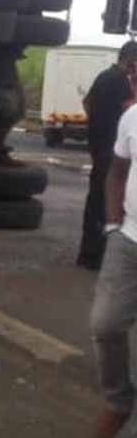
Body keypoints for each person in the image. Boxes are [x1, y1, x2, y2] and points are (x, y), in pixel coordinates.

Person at [90, 92, 137, 438]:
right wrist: (111, 224)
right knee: (105, 325)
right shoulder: (133, 117)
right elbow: (117, 171)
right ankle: (119, 401)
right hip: (128, 241)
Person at [79, 42, 137, 271]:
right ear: (132, 61)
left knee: (95, 199)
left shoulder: (104, 76)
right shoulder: (121, 81)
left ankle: (87, 254)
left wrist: (98, 123)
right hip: (112, 151)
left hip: (97, 146)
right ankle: (100, 256)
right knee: (110, 201)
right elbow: (130, 109)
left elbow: (87, 103)